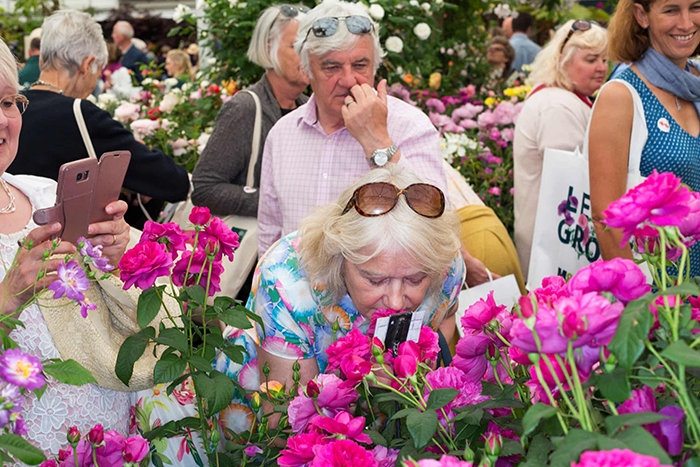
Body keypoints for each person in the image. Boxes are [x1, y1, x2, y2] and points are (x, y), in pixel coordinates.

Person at [216, 164, 465, 411]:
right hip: (261, 422)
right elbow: (285, 423)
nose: (396, 302)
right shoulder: (286, 281)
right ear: (340, 258)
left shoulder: (444, 263)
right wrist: (362, 391)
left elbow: (446, 311)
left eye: (414, 280)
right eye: (376, 281)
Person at [0, 36, 133, 456]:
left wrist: (115, 251)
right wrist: (7, 297)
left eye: (7, 103)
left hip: (104, 436)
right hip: (23, 446)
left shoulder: (43, 193)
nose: (2, 120)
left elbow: (102, 304)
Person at [257, 0, 448, 257]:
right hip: (296, 291)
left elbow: (437, 224)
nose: (348, 80)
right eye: (331, 67)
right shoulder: (283, 134)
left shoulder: (409, 125)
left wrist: (378, 141)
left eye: (360, 65)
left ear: (376, 66)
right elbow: (270, 233)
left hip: (382, 295)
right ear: (306, 70)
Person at [8, 10, 190, 229]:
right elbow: (172, 182)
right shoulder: (79, 114)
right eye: (97, 72)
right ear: (87, 65)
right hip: (64, 249)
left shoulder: (12, 108)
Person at [587, 0, 700, 275]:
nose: (686, 23)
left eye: (696, 7)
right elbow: (605, 218)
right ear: (642, 15)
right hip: (661, 292)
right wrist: (641, 307)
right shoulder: (622, 95)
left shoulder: (695, 82)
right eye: (671, 10)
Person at [513, 20, 608, 280]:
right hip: (557, 248)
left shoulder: (557, 97)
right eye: (591, 60)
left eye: (604, 59)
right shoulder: (558, 106)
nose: (601, 68)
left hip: (555, 241)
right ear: (562, 60)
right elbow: (574, 182)